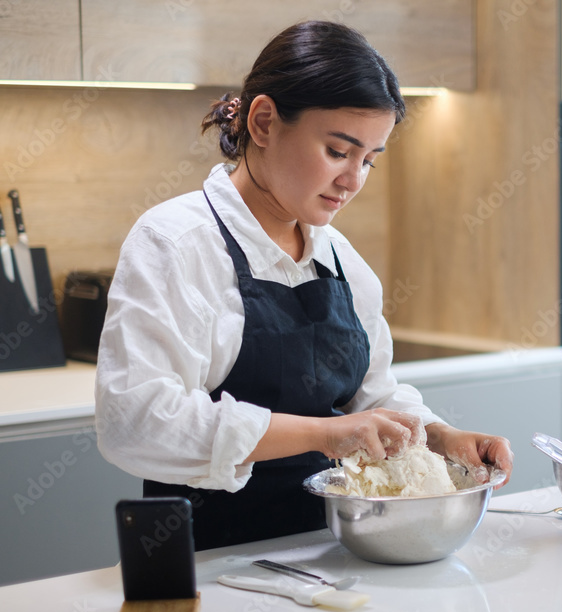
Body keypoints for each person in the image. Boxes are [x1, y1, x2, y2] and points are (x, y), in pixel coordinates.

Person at [94, 20, 513, 551]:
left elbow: (375, 396)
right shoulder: (174, 243)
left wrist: (441, 437)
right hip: (209, 566)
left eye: (369, 161)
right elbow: (135, 420)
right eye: (339, 152)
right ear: (264, 122)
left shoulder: (342, 260)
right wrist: (324, 434)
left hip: (329, 558)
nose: (353, 180)